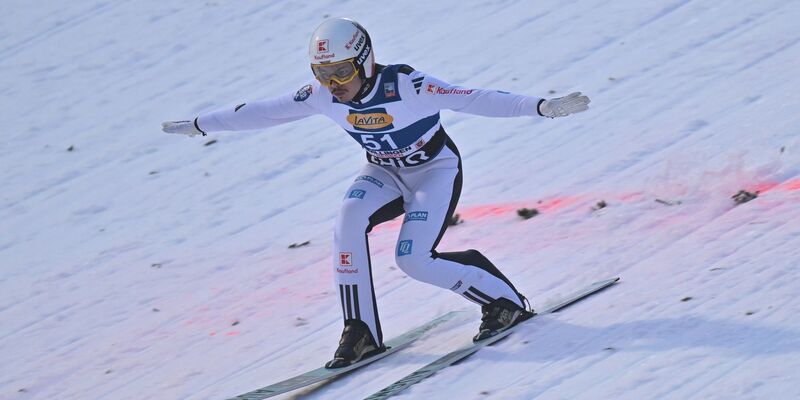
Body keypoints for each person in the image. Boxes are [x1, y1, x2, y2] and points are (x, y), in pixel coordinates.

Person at [162, 17, 590, 368]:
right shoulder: (322, 96)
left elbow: (474, 98)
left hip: (434, 172)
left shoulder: (408, 86)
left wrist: (541, 107)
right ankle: (360, 329)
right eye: (322, 73)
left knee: (412, 260)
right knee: (348, 218)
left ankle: (502, 301)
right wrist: (202, 124)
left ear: (365, 62)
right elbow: (262, 112)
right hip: (384, 172)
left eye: (341, 72)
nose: (333, 83)